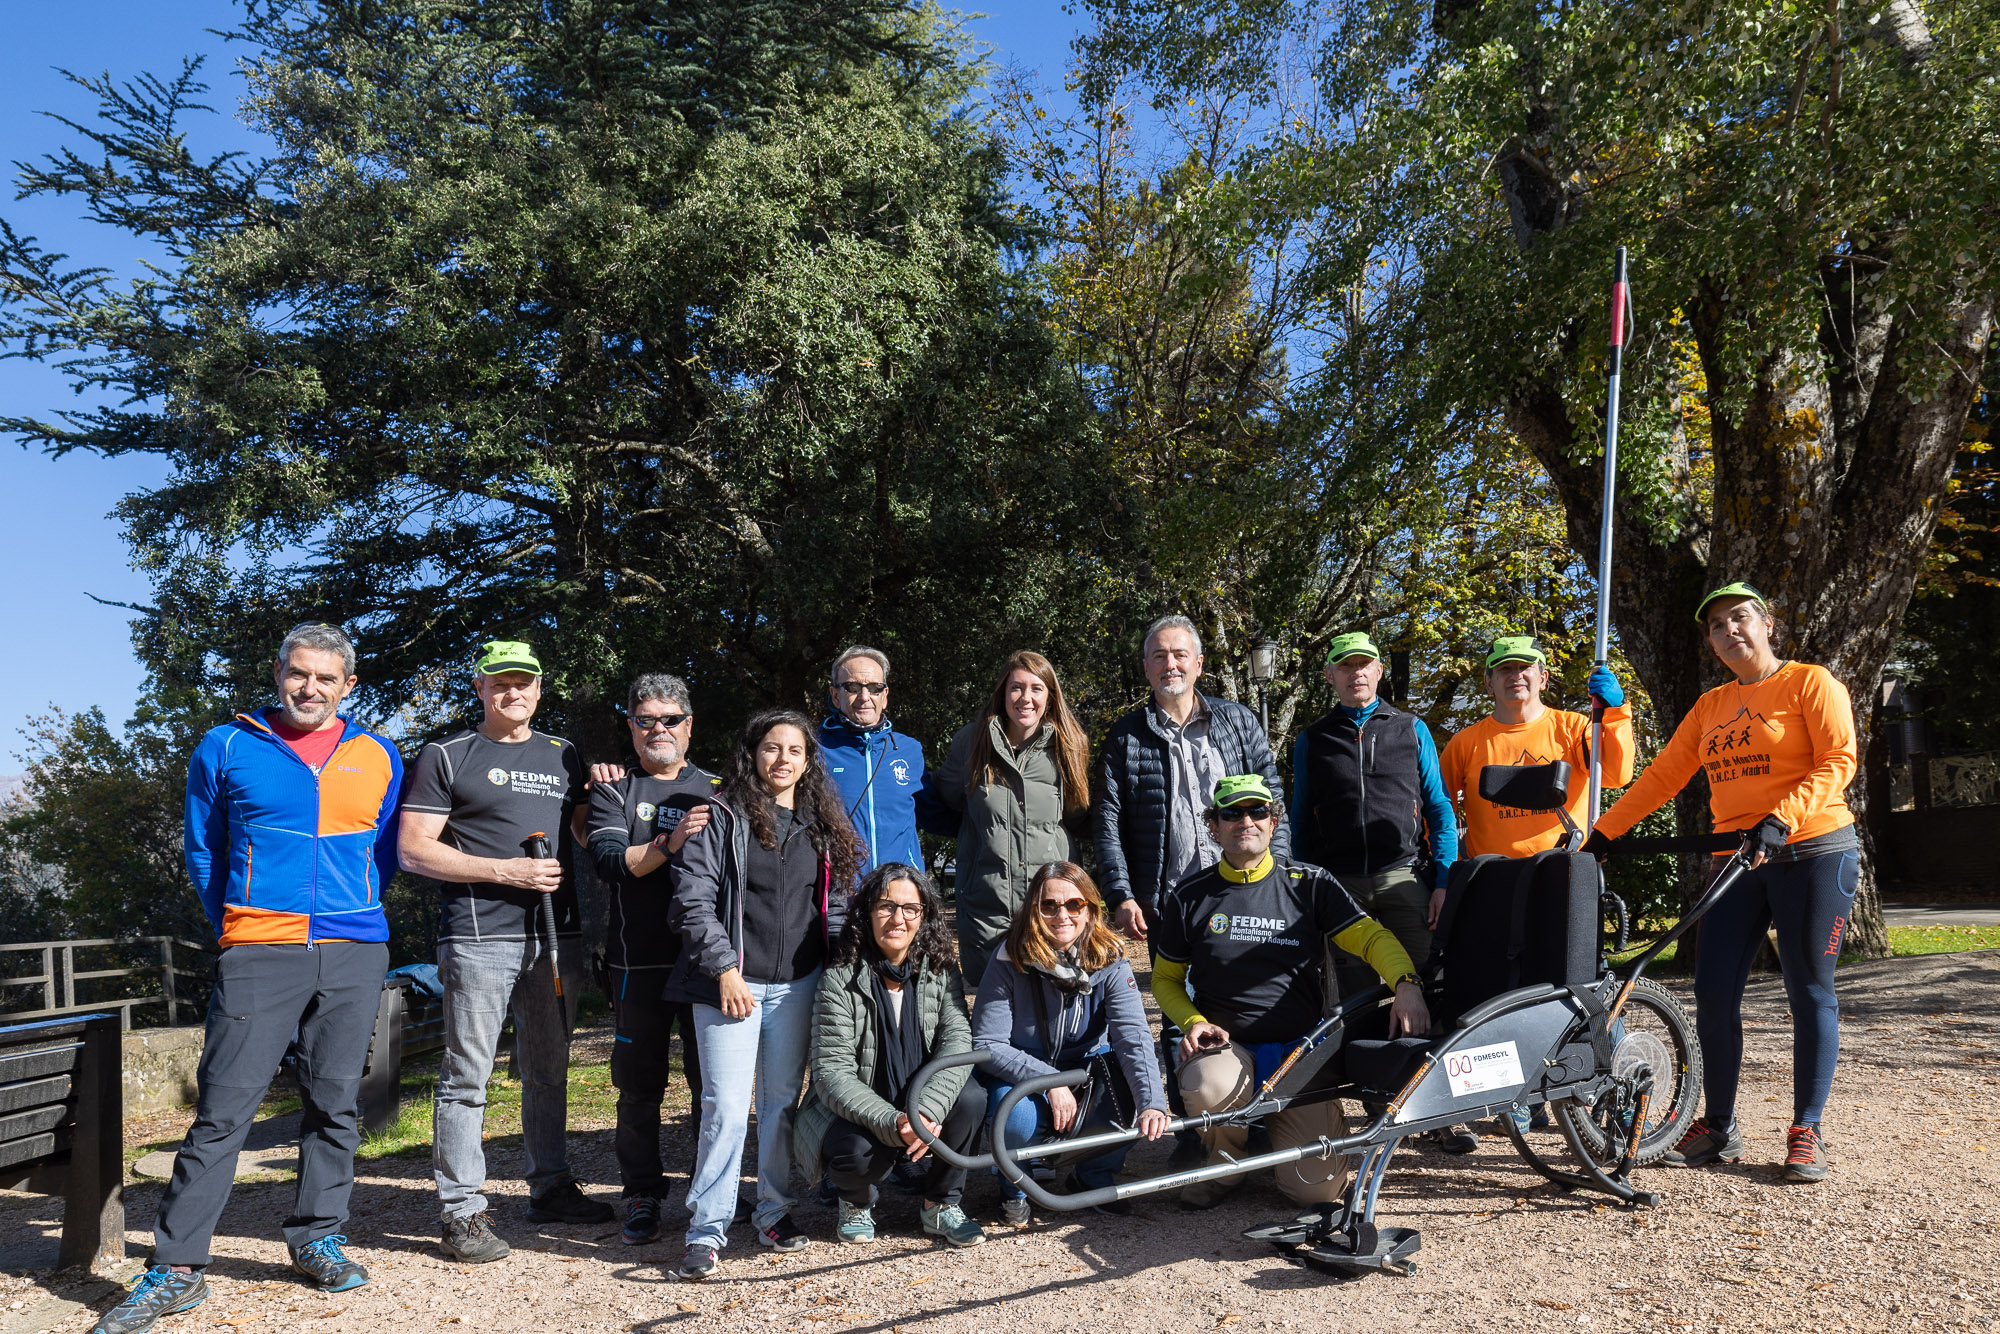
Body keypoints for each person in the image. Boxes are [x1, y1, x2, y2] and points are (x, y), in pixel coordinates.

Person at [93, 624, 400, 1334]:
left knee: (335, 1103)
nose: (310, 688)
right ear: (277, 672)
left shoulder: (379, 753)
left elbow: (384, 854)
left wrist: (350, 917)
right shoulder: (226, 746)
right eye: (299, 674)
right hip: (258, 950)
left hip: (355, 950)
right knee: (223, 1112)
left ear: (348, 685)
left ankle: (318, 1236)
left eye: (327, 678)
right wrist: (242, 926)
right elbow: (204, 850)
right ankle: (176, 1268)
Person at [1584, 583, 1859, 1185]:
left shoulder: (1811, 683)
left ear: (1766, 625)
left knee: (1808, 989)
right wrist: (1602, 834)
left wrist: (1782, 819)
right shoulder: (1710, 707)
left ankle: (1807, 1127)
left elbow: (1838, 760)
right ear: (1711, 643)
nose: (1729, 630)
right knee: (1712, 990)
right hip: (1739, 858)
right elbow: (1661, 777)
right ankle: (1720, 1125)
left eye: (1740, 617)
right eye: (1716, 625)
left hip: (1813, 851)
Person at [399, 640, 611, 1265]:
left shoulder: (564, 755)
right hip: (478, 936)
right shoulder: (447, 755)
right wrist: (507, 872)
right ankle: (461, 1213)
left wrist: (612, 792)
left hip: (556, 938)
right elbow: (415, 850)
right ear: (480, 688)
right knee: (467, 1078)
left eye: (523, 682)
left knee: (547, 1070)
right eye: (499, 683)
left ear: (540, 690)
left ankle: (549, 1187)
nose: (512, 693)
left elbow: (584, 830)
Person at [1153, 775, 1429, 1210]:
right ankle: (1227, 1165)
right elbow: (1165, 979)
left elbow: (1372, 939)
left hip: (1299, 1054)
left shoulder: (1309, 882)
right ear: (1214, 826)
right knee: (1208, 1084)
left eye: (1257, 811)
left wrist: (1406, 985)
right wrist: (1193, 1022)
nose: (1246, 820)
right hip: (1227, 1049)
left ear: (1274, 821)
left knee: (1314, 1193)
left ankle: (1282, 1141)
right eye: (1232, 813)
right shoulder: (1190, 895)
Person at [664, 710, 862, 1280]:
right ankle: (706, 1229)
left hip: (798, 985)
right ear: (752, 754)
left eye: (794, 751)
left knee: (779, 1107)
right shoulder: (720, 817)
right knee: (724, 1109)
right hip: (731, 984)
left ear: (807, 760)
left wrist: (836, 970)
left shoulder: (821, 824)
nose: (782, 760)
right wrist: (724, 969)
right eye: (771, 748)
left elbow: (837, 906)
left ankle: (774, 1212)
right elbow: (692, 901)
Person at [1094, 614, 1286, 1165]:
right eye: (1159, 656)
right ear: (1146, 668)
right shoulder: (1127, 736)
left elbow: (1272, 800)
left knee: (1254, 1001)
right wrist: (1121, 893)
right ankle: (1191, 1131)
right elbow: (1108, 821)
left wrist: (1284, 878)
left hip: (1246, 891)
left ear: (1199, 664)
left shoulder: (1238, 722)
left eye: (1180, 655)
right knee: (1178, 1009)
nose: (1170, 664)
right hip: (1170, 900)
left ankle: (1258, 1119)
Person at [1290, 630, 1471, 1154]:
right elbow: (1301, 820)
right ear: (1330, 676)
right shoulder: (1313, 738)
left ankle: (1439, 1109)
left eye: (1365, 664)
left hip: (1402, 877)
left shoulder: (1411, 729)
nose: (1356, 674)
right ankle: (1378, 1105)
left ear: (1378, 671)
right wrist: (1308, 887)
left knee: (1426, 989)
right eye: (1345, 666)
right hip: (1340, 884)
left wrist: (1441, 879)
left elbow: (1439, 808)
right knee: (1358, 997)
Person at [585, 673, 720, 1246]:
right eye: (645, 720)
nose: (657, 730)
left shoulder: (721, 787)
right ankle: (641, 1193)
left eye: (669, 720)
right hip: (636, 963)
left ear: (689, 726)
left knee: (709, 1083)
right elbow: (613, 863)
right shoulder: (615, 789)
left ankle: (709, 1194)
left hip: (707, 961)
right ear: (632, 728)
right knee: (638, 1087)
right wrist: (669, 843)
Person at [793, 864, 988, 1248]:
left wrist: (926, 1111)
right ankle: (855, 1201)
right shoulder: (839, 978)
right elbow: (832, 1074)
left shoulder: (940, 969)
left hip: (919, 1096)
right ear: (867, 913)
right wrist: (896, 1120)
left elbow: (958, 1040)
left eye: (910, 909)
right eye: (885, 906)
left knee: (972, 1098)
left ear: (923, 916)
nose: (898, 918)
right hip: (860, 1106)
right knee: (854, 1155)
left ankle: (940, 1204)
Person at [972, 862, 1170, 1226]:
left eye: (1074, 905)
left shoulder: (1110, 958)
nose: (1061, 915)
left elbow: (1134, 1037)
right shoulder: (1008, 955)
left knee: (1133, 1095)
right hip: (1021, 1069)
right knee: (1014, 1118)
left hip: (1086, 1070)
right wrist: (1049, 1082)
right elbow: (989, 1043)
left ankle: (1093, 1173)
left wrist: (1152, 1102)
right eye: (1049, 905)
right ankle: (1017, 1185)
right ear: (1034, 908)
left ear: (1090, 910)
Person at [917, 650, 1091, 985]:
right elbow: (946, 798)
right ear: (1002, 692)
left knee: (1054, 1015)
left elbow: (1078, 814)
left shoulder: (1070, 744)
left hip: (1052, 908)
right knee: (994, 1016)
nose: (1026, 698)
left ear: (1050, 696)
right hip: (988, 909)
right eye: (1016, 688)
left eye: (1036, 689)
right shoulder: (971, 741)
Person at [818, 645, 929, 878]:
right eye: (853, 687)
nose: (864, 697)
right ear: (836, 696)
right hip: (839, 898)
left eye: (875, 688)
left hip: (898, 898)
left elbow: (936, 812)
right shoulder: (813, 749)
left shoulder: (910, 750)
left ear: (885, 696)